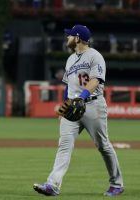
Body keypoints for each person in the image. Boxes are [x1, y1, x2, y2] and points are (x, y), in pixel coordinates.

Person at [33, 25, 124, 197]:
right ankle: (52, 185)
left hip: (93, 105)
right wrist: (66, 107)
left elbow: (96, 80)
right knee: (64, 145)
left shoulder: (95, 56)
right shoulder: (70, 59)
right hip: (73, 107)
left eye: (69, 36)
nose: (66, 38)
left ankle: (116, 184)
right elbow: (69, 87)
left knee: (103, 146)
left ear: (77, 38)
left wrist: (81, 98)